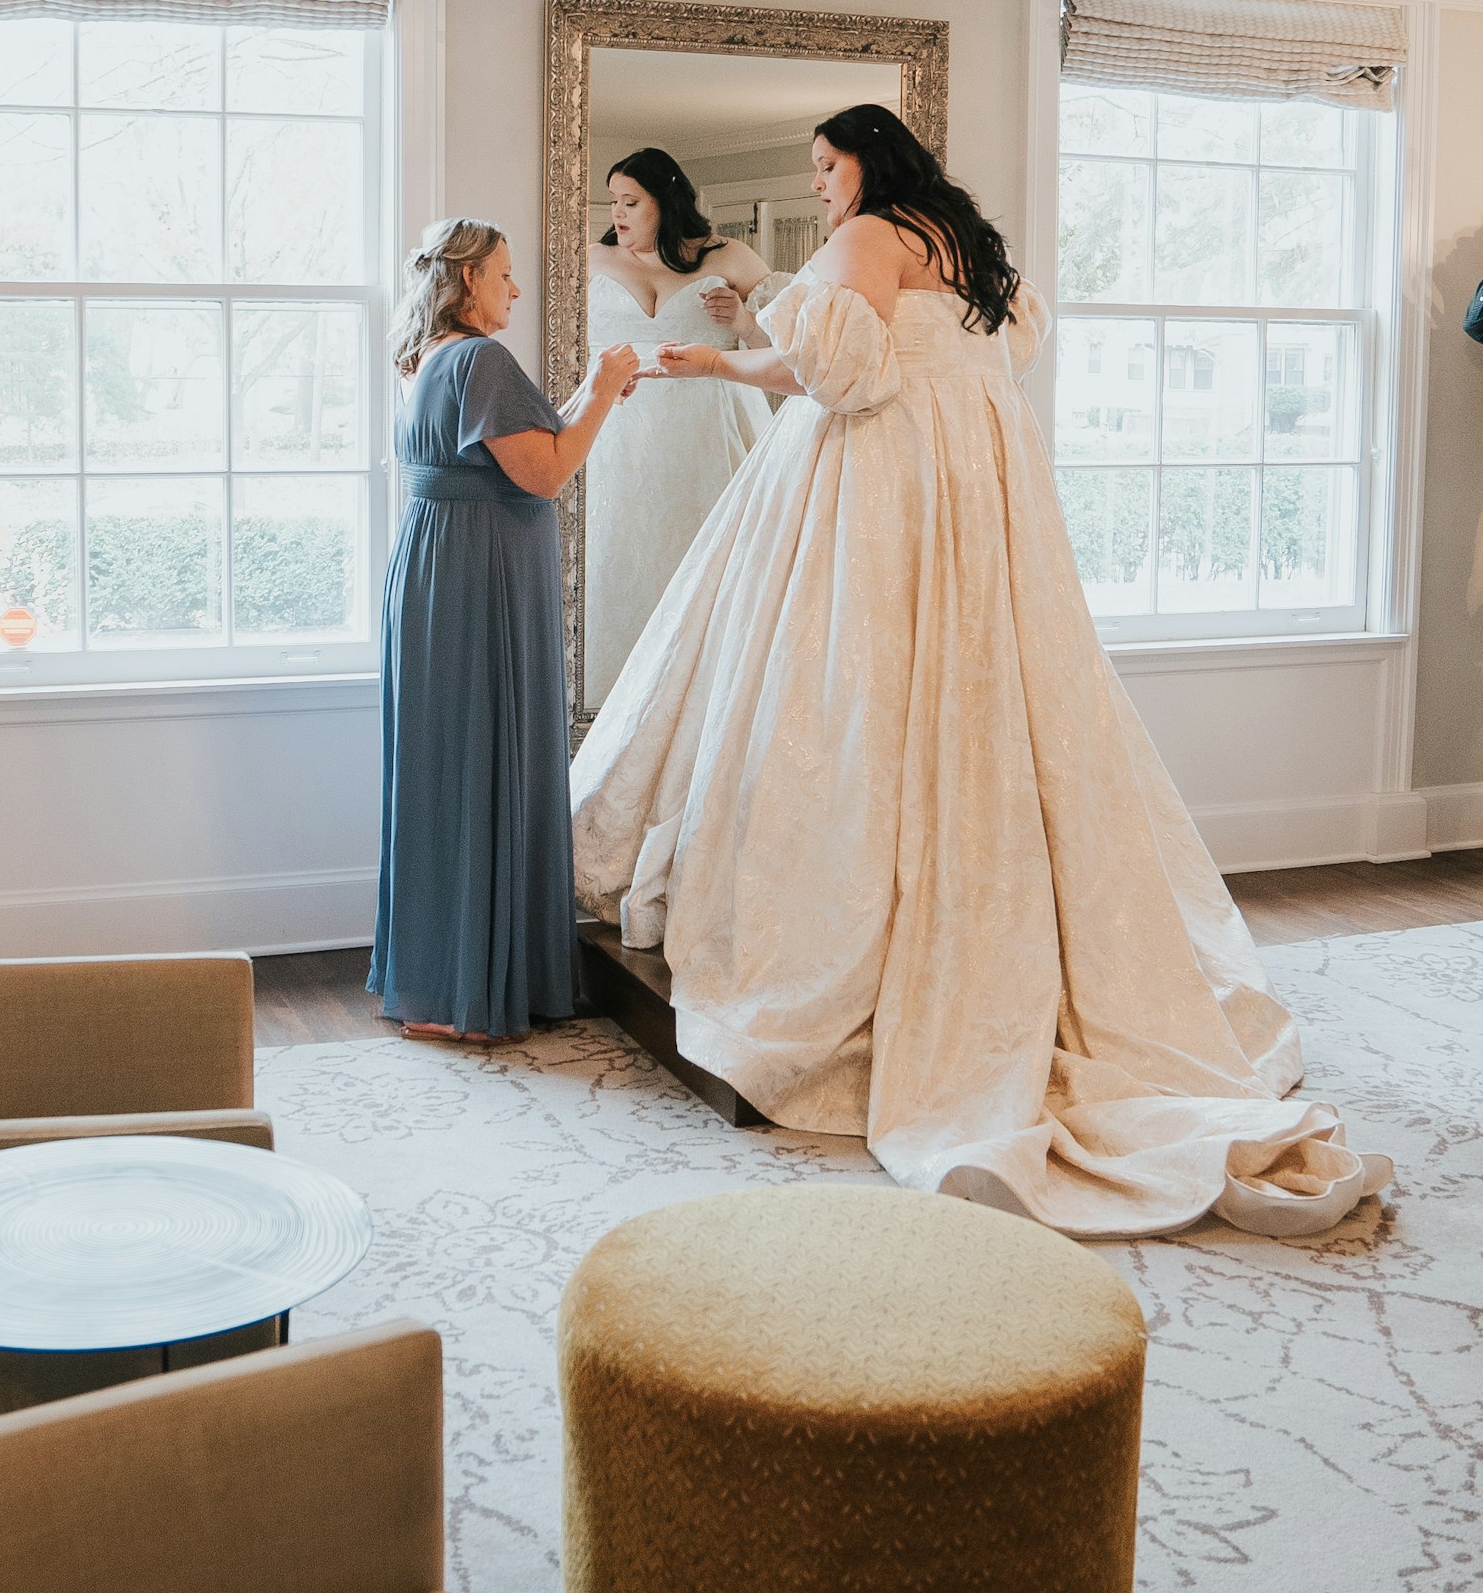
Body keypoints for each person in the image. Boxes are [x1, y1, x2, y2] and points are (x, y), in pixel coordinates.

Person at [569, 104, 1391, 1240]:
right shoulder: (962, 238)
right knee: (990, 694)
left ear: (869, 161)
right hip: (982, 485)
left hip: (886, 484)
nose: (817, 186)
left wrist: (716, 358)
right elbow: (932, 356)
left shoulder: (867, 239)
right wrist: (721, 353)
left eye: (825, 165)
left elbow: (835, 379)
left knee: (843, 691)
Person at [371, 217, 639, 1043]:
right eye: (505, 276)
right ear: (467, 281)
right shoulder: (479, 358)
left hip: (437, 571)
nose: (516, 290)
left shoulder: (432, 361)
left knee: (445, 766)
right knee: (483, 759)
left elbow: (514, 451)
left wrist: (583, 404)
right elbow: (547, 472)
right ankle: (470, 994)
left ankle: (444, 977)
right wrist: (598, 392)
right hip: (476, 579)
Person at [584, 149, 774, 698]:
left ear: (664, 203)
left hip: (710, 429)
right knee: (620, 557)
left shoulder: (729, 257)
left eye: (631, 202)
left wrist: (741, 319)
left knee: (709, 559)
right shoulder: (589, 259)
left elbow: (783, 348)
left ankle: (712, 695)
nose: (617, 213)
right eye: (614, 201)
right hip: (616, 433)